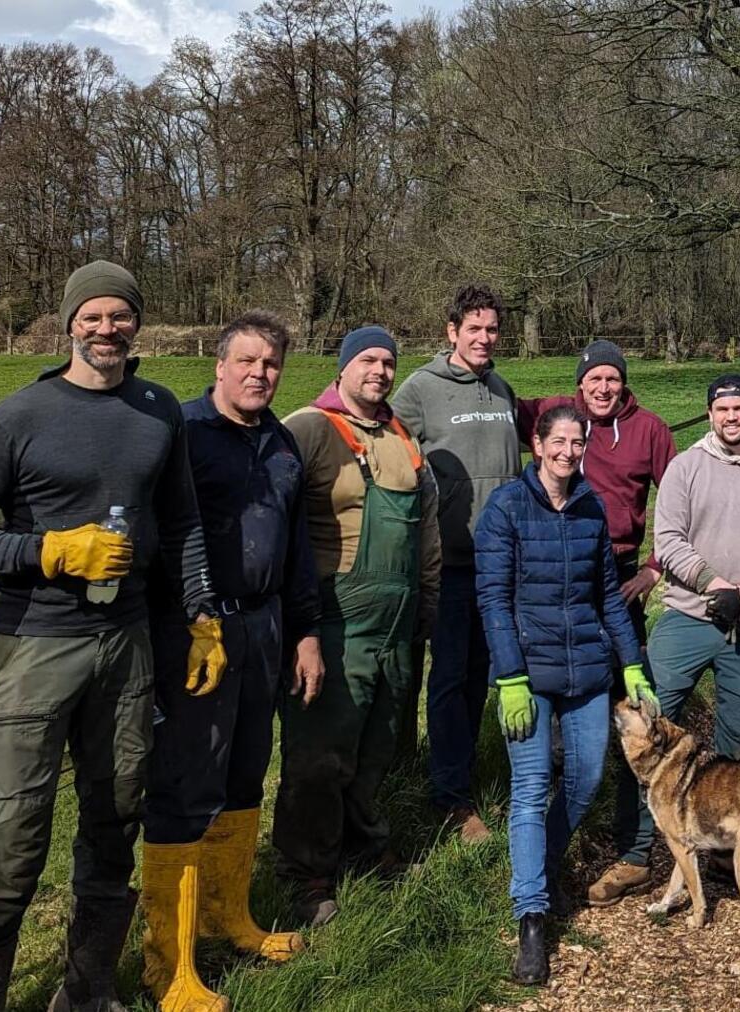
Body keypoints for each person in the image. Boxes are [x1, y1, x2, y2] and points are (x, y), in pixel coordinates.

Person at [0, 261, 224, 1012]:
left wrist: (203, 613)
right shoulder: (14, 418)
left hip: (128, 644)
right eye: (93, 316)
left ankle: (86, 994)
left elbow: (181, 522)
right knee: (12, 839)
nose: (106, 328)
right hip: (35, 646)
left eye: (120, 315)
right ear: (69, 322)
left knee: (115, 819)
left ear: (136, 323)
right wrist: (44, 551)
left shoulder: (156, 412)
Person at [140, 311, 324, 1009]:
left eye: (271, 364)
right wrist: (184, 620)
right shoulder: (184, 436)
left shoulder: (281, 444)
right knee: (186, 785)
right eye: (246, 361)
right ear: (219, 366)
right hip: (196, 634)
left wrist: (304, 633)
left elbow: (298, 547)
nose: (259, 374)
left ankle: (228, 916)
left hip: (266, 629)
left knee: (247, 772)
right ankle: (169, 965)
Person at [473, 404, 655, 986]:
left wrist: (631, 667)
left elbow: (606, 596)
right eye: (559, 441)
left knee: (586, 781)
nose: (569, 452)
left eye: (578, 443)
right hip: (528, 673)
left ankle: (544, 862)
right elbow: (494, 600)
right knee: (530, 788)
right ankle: (531, 915)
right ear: (537, 443)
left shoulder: (590, 506)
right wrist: (510, 677)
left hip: (588, 675)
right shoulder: (506, 507)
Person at [272, 325, 441, 928]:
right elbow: (275, 527)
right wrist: (299, 629)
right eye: (367, 359)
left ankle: (367, 850)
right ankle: (306, 874)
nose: (379, 370)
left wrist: (428, 599)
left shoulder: (402, 436)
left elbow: (425, 528)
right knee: (320, 754)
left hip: (395, 622)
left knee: (375, 748)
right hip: (333, 620)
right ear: (343, 368)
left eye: (388, 361)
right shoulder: (307, 429)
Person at [515, 340, 678, 907]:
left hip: (621, 575)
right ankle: (553, 843)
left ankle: (635, 845)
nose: (603, 388)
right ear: (579, 384)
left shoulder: (650, 430)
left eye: (612, 379)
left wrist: (655, 569)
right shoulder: (555, 415)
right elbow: (489, 399)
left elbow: (679, 501)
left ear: (623, 383)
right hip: (558, 578)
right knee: (561, 716)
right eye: (594, 380)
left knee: (635, 706)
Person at [629, 374, 740, 874]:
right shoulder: (685, 468)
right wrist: (716, 585)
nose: (732, 418)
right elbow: (671, 539)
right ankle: (637, 849)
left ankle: (723, 849)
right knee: (649, 723)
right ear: (710, 414)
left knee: (737, 740)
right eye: (723, 409)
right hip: (688, 617)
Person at [392, 285, 521, 844]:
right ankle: (447, 796)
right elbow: (380, 446)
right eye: (474, 329)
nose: (484, 338)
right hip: (448, 563)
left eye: (492, 329)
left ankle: (466, 774)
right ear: (452, 332)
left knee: (480, 679)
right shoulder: (420, 390)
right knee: (447, 680)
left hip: (500, 564)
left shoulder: (501, 387)